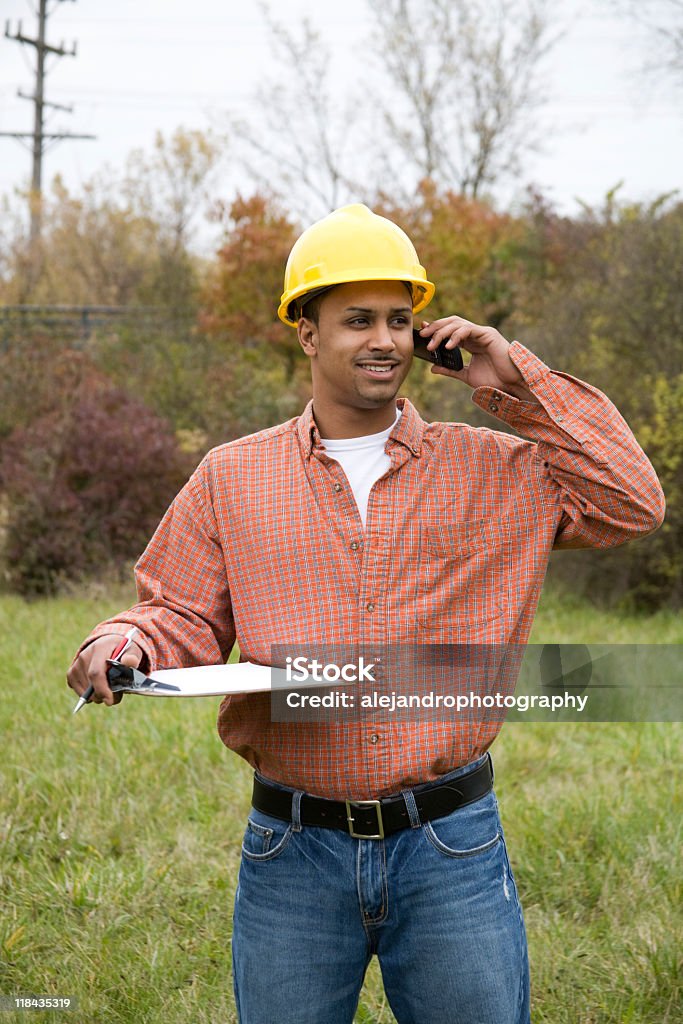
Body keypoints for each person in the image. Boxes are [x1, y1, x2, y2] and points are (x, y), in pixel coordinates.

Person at [68, 204, 665, 1024]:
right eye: (356, 320)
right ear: (306, 332)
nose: (383, 338)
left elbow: (632, 503)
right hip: (291, 852)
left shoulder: (496, 470)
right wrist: (124, 639)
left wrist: (518, 383)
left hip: (451, 845)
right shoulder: (230, 477)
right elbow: (177, 611)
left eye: (398, 318)